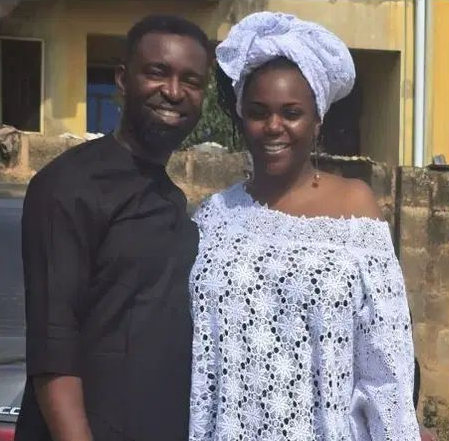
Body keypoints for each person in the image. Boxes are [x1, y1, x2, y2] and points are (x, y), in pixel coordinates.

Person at [188, 11, 422, 440]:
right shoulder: (214, 217)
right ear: (241, 117)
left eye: (291, 112)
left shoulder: (355, 209)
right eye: (258, 112)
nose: (273, 127)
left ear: (317, 120)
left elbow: (385, 368)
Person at [15, 15, 211, 441]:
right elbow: (53, 348)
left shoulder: (171, 199)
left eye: (191, 80)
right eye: (157, 72)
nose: (174, 91)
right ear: (123, 79)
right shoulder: (69, 185)